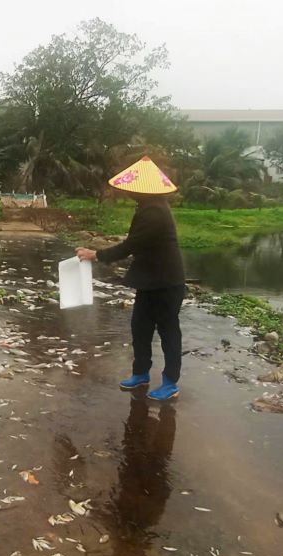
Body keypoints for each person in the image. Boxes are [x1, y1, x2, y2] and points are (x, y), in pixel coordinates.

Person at [76, 156, 186, 401]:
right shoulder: (147, 207)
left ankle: (170, 383)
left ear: (142, 189)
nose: (127, 192)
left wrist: (95, 254)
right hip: (149, 281)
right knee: (141, 327)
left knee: (168, 332)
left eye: (131, 188)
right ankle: (141, 374)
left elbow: (131, 246)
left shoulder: (155, 212)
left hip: (167, 283)